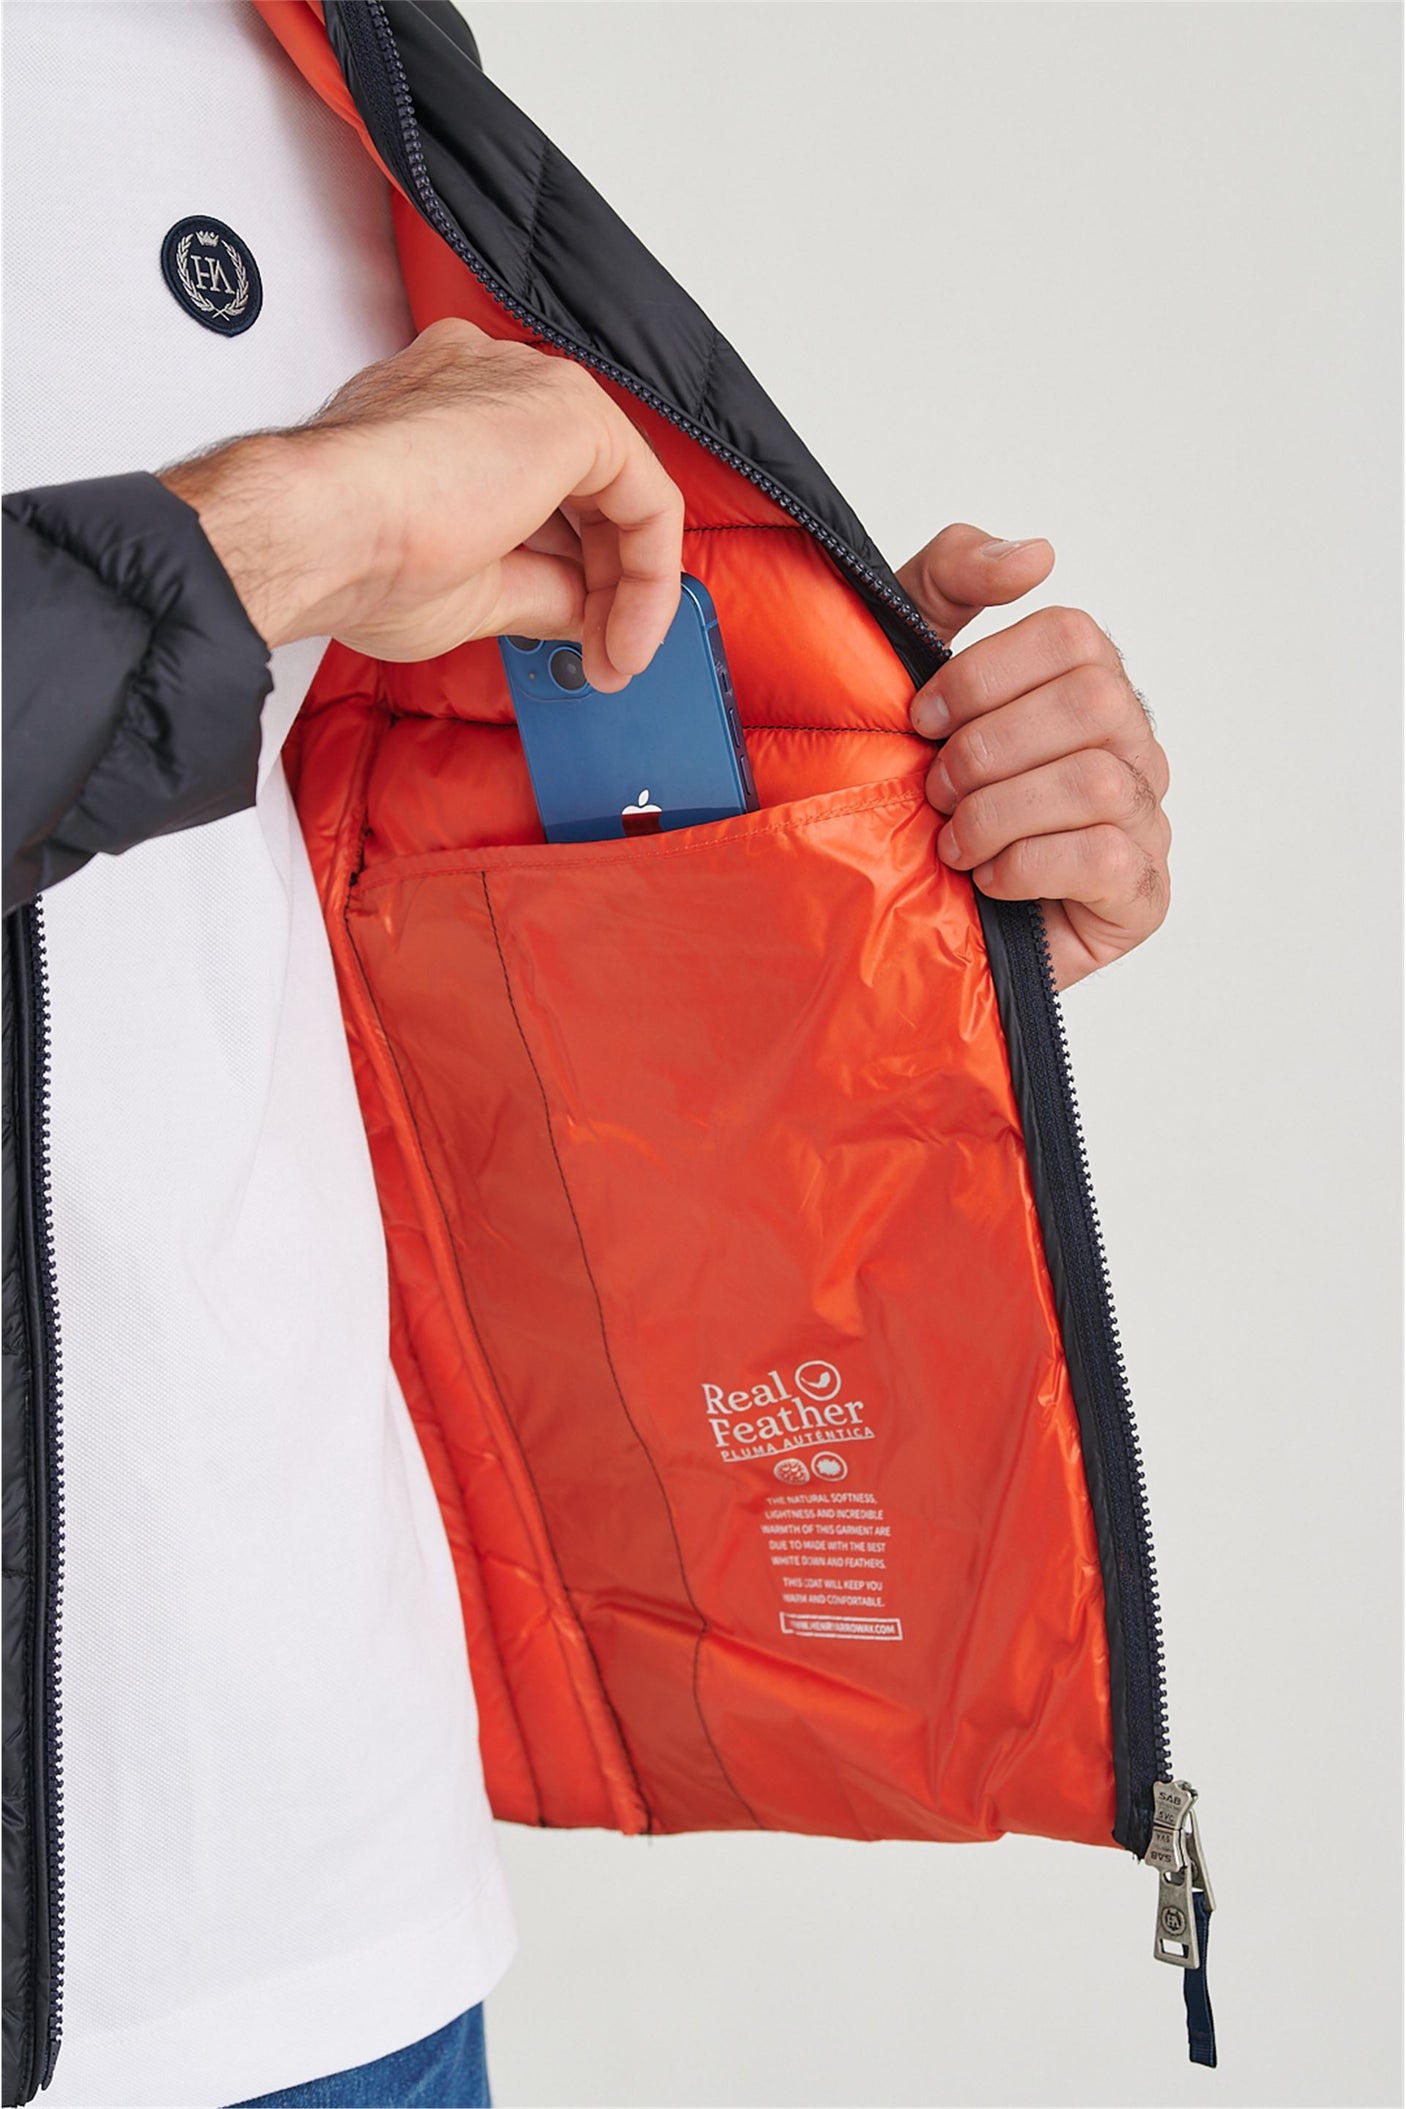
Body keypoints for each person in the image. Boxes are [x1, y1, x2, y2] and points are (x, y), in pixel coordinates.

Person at [1, 5, 1172, 2106]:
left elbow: (333, 855)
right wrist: (269, 529)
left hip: (311, 1920)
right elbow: (266, 566)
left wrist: (860, 874)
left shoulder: (299, 42)